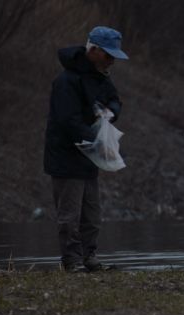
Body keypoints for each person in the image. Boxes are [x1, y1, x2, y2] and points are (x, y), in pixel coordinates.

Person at [43, 26, 128, 272]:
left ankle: (89, 256)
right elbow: (68, 121)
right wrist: (98, 138)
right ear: (93, 50)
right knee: (69, 214)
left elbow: (114, 100)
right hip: (65, 157)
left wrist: (111, 114)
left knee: (92, 213)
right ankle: (71, 261)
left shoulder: (102, 76)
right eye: (108, 54)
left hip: (90, 158)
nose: (112, 59)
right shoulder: (66, 81)